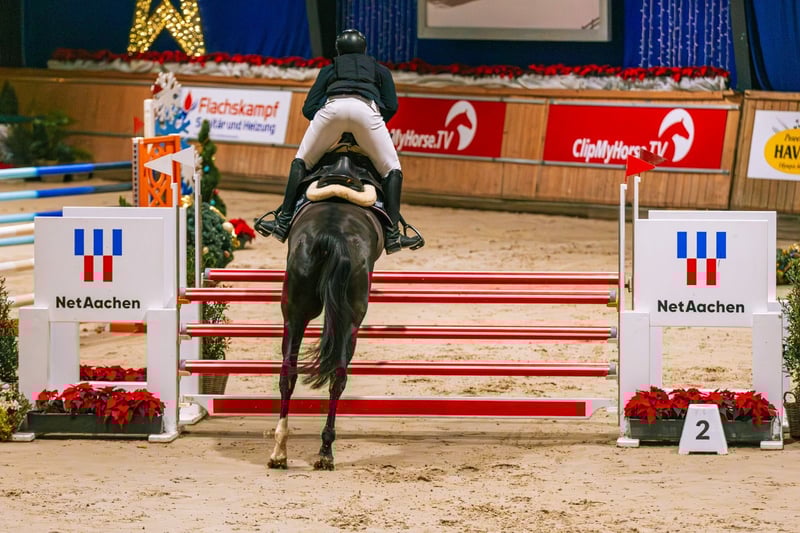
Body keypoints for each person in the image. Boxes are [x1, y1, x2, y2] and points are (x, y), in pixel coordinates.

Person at [259, 29, 423, 254]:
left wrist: (327, 125)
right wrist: (369, 127)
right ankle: (393, 234)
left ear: (338, 50)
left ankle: (283, 221)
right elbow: (391, 105)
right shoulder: (379, 70)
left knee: (302, 161)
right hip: (366, 111)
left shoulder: (330, 69)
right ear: (364, 49)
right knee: (392, 169)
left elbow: (309, 108)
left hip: (333, 110)